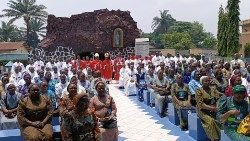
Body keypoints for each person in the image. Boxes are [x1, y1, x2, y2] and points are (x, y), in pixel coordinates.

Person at [196, 76, 221, 141]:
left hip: (214, 108)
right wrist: (212, 108)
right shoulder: (199, 91)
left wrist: (217, 107)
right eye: (205, 81)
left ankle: (222, 136)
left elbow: (218, 99)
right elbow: (201, 104)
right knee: (210, 121)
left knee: (220, 119)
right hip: (202, 110)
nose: (208, 82)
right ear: (202, 82)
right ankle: (215, 138)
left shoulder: (213, 89)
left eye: (208, 81)